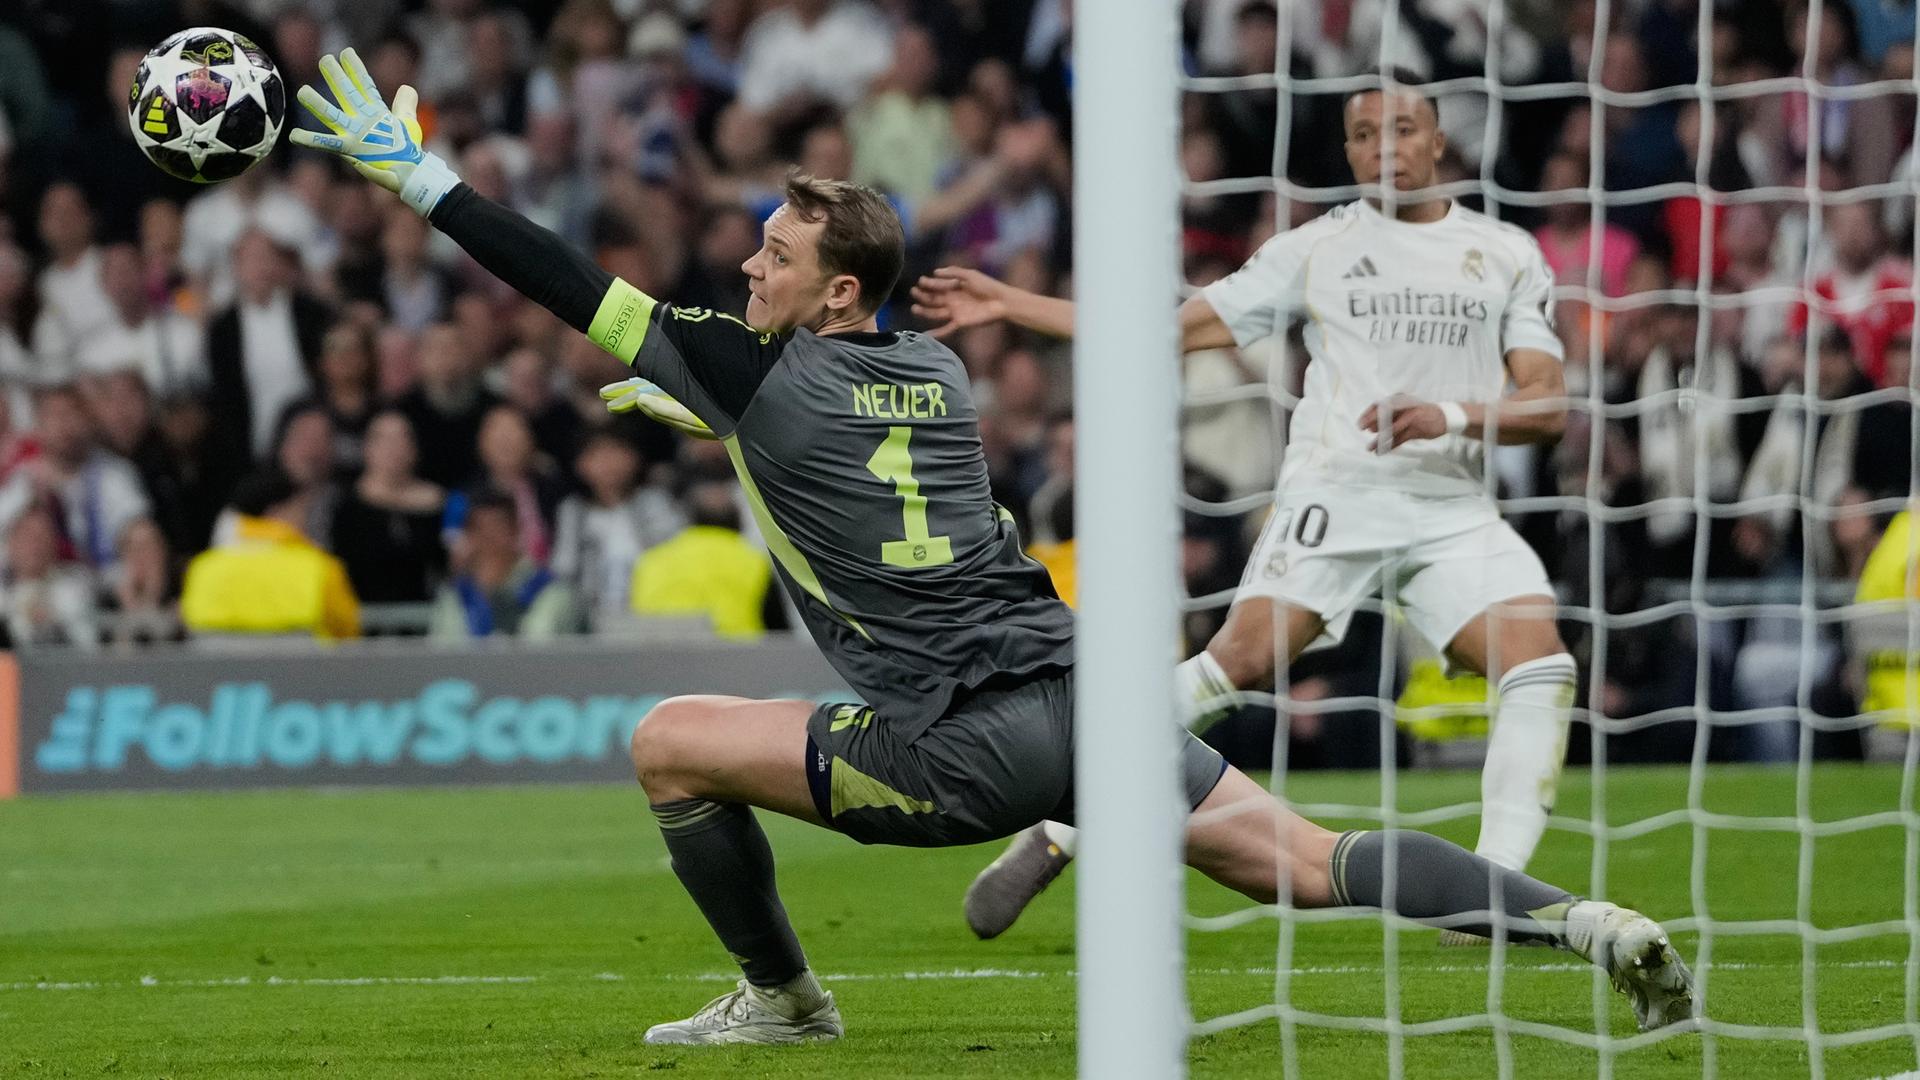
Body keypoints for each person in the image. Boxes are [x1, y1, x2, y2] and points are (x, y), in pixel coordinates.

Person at [293, 50, 1692, 1045]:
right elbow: (849, 457)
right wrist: (721, 420)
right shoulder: (938, 374)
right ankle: (1587, 924)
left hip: (958, 743)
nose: (749, 268)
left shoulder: (748, 366)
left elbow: (564, 281)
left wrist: (426, 184)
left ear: (836, 290)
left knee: (668, 742)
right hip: (1093, 700)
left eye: (775, 256)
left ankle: (785, 1001)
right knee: (1305, 858)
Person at [914, 69, 1584, 943]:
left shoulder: (1504, 252)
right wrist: (1011, 301)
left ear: (1436, 140)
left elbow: (1547, 404)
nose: (1384, 149)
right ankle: (1059, 827)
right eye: (1364, 134)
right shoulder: (1318, 248)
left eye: (1402, 130)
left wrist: (1449, 415)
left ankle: (1491, 898)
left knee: (1541, 667)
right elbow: (1165, 330)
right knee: (1238, 663)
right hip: (1340, 492)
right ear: (1348, 151)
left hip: (1451, 502)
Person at [179, 466, 361, 641]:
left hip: (217, 664)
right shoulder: (320, 568)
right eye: (300, 509)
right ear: (275, 511)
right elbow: (347, 635)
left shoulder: (202, 569)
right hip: (300, 663)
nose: (305, 518)